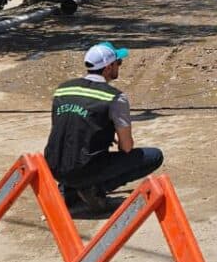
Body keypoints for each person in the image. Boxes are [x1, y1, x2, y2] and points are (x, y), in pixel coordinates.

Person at [44, 42, 163, 213]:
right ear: (108, 67)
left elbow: (68, 129)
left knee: (78, 155)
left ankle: (70, 190)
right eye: (118, 63)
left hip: (54, 165)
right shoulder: (115, 97)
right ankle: (94, 188)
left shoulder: (63, 89)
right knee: (154, 156)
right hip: (86, 167)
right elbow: (126, 146)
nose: (119, 67)